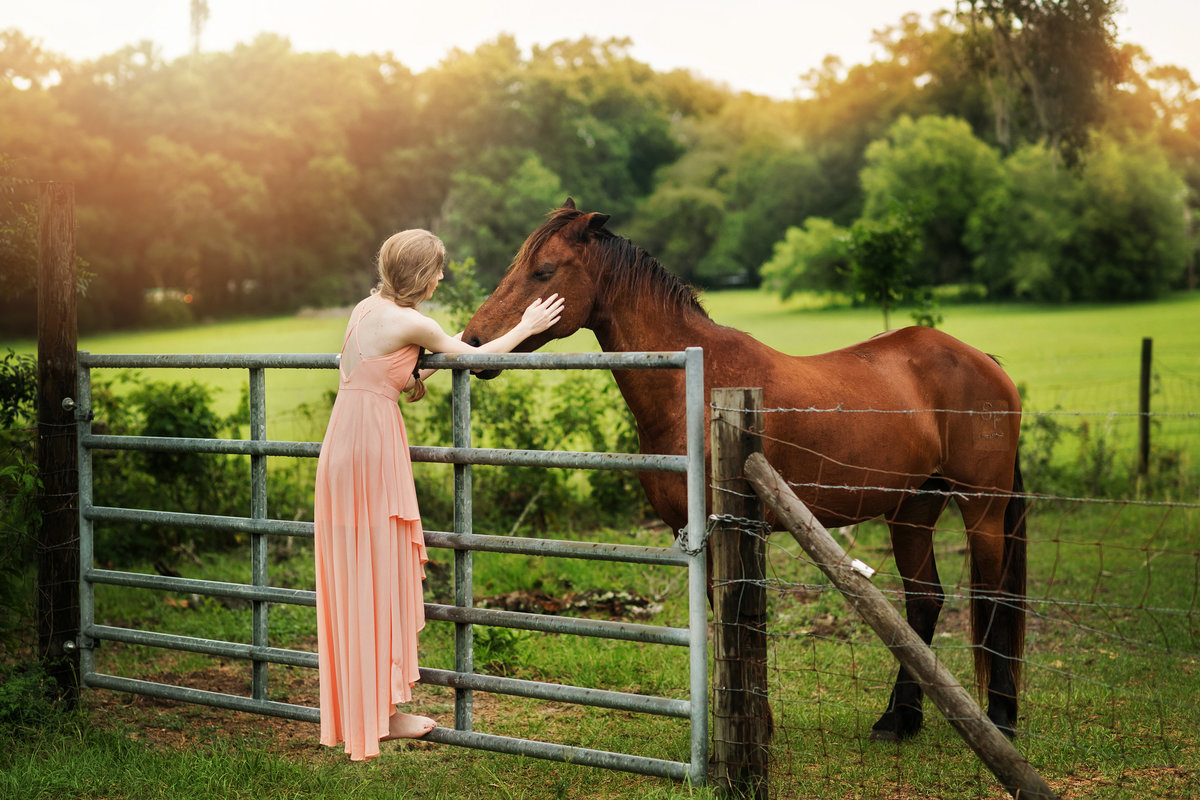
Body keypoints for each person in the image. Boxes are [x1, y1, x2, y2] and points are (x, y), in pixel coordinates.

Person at [314, 229, 563, 761]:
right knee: (373, 576)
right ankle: (380, 715)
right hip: (369, 447)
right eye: (439, 270)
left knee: (357, 576)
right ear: (423, 277)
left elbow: (366, 368)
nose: (443, 278)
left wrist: (410, 372)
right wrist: (526, 326)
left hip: (344, 440)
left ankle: (369, 708)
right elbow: (477, 357)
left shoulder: (368, 307)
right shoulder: (415, 321)